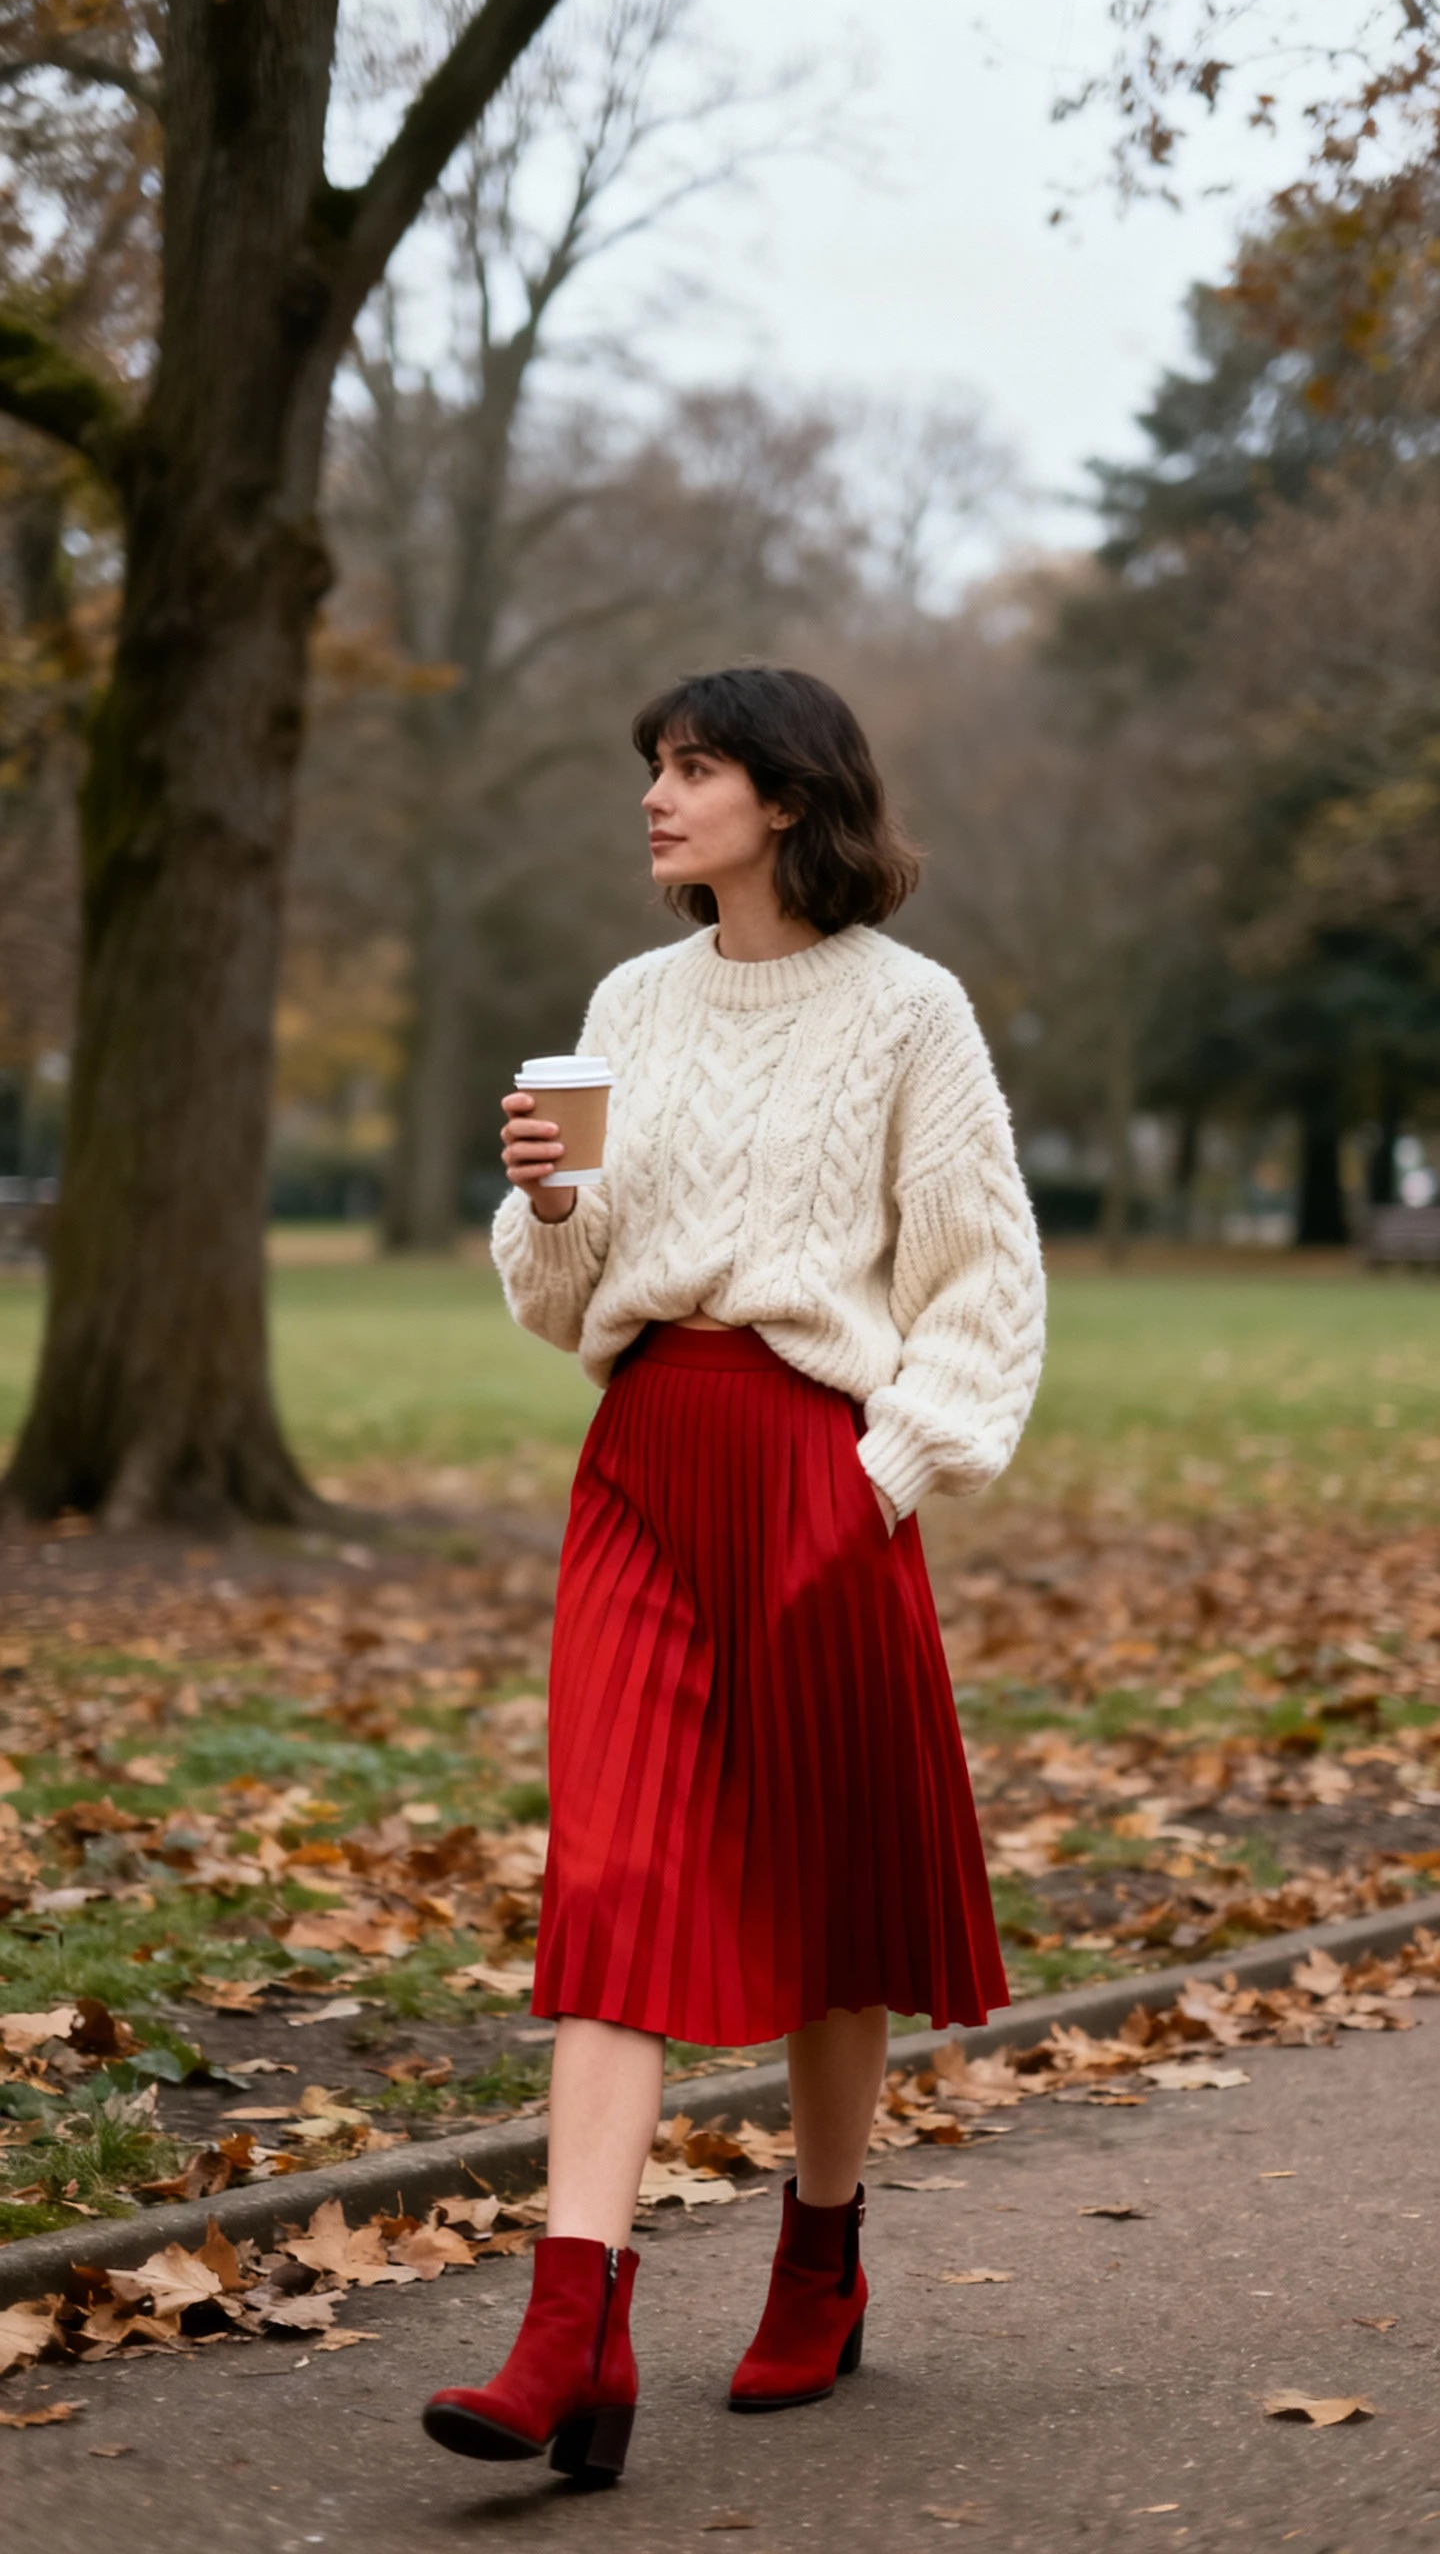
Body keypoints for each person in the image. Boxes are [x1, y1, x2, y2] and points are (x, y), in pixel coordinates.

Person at [423, 665, 1045, 2485]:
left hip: (815, 1468)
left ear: (785, 796)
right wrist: (544, 1208)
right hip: (641, 1460)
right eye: (653, 769)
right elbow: (562, 1301)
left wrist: (881, 1479)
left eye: (693, 768)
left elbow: (982, 1279)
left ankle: (822, 2259)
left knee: (831, 1893)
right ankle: (571, 2324)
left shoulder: (911, 1013)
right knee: (612, 1869)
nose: (658, 796)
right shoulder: (629, 1000)